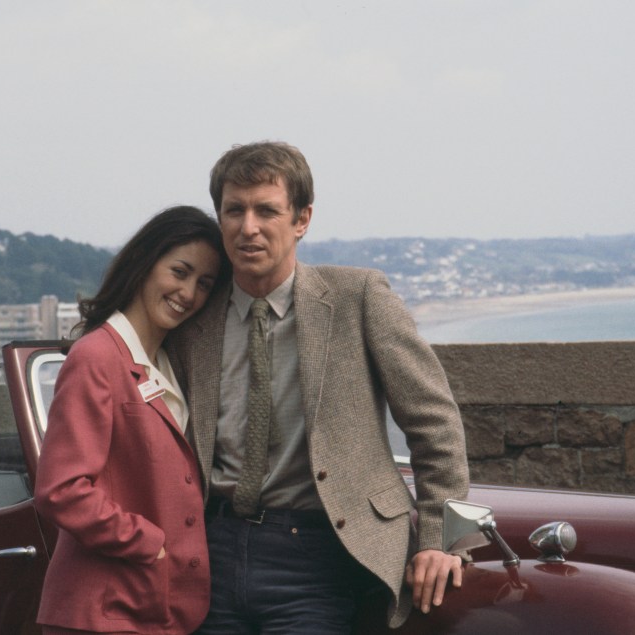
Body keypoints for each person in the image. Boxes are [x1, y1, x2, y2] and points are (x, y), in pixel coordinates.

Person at [169, 142, 469, 633]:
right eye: (234, 210)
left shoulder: (358, 297)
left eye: (267, 210)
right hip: (209, 551)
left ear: (302, 219)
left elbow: (434, 423)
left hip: (318, 553)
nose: (249, 227)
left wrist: (439, 539)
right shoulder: (192, 316)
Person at [34, 206, 231, 635]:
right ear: (145, 262)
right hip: (100, 611)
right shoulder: (96, 356)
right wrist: (150, 543)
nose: (188, 293)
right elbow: (61, 490)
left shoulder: (168, 362)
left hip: (150, 610)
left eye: (204, 284)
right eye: (179, 272)